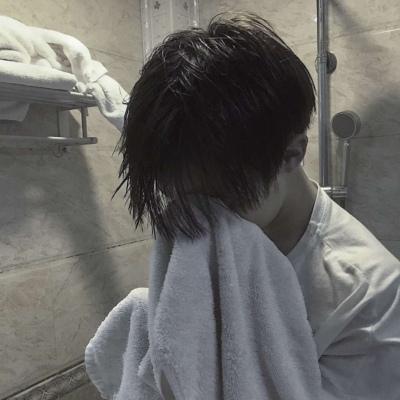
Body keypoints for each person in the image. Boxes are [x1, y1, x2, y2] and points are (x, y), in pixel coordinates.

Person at [105, 11, 400, 399]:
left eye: (221, 199)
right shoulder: (200, 226)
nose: (202, 220)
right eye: (181, 200)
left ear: (292, 154)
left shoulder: (368, 299)